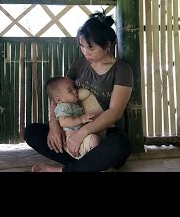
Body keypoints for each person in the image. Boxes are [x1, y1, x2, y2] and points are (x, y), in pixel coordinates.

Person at [25, 10, 133, 172]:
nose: (85, 52)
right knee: (32, 132)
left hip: (105, 134)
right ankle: (89, 165)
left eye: (90, 48)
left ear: (107, 45)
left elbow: (115, 112)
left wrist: (83, 133)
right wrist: (54, 125)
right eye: (82, 47)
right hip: (71, 130)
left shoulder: (121, 70)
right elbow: (59, 95)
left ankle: (63, 170)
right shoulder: (80, 64)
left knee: (120, 147)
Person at [45, 76, 101, 159]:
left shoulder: (73, 104)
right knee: (94, 140)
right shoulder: (63, 107)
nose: (75, 91)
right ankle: (93, 163)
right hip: (72, 140)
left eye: (74, 88)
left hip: (81, 135)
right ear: (58, 100)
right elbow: (63, 122)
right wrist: (81, 119)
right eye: (70, 91)